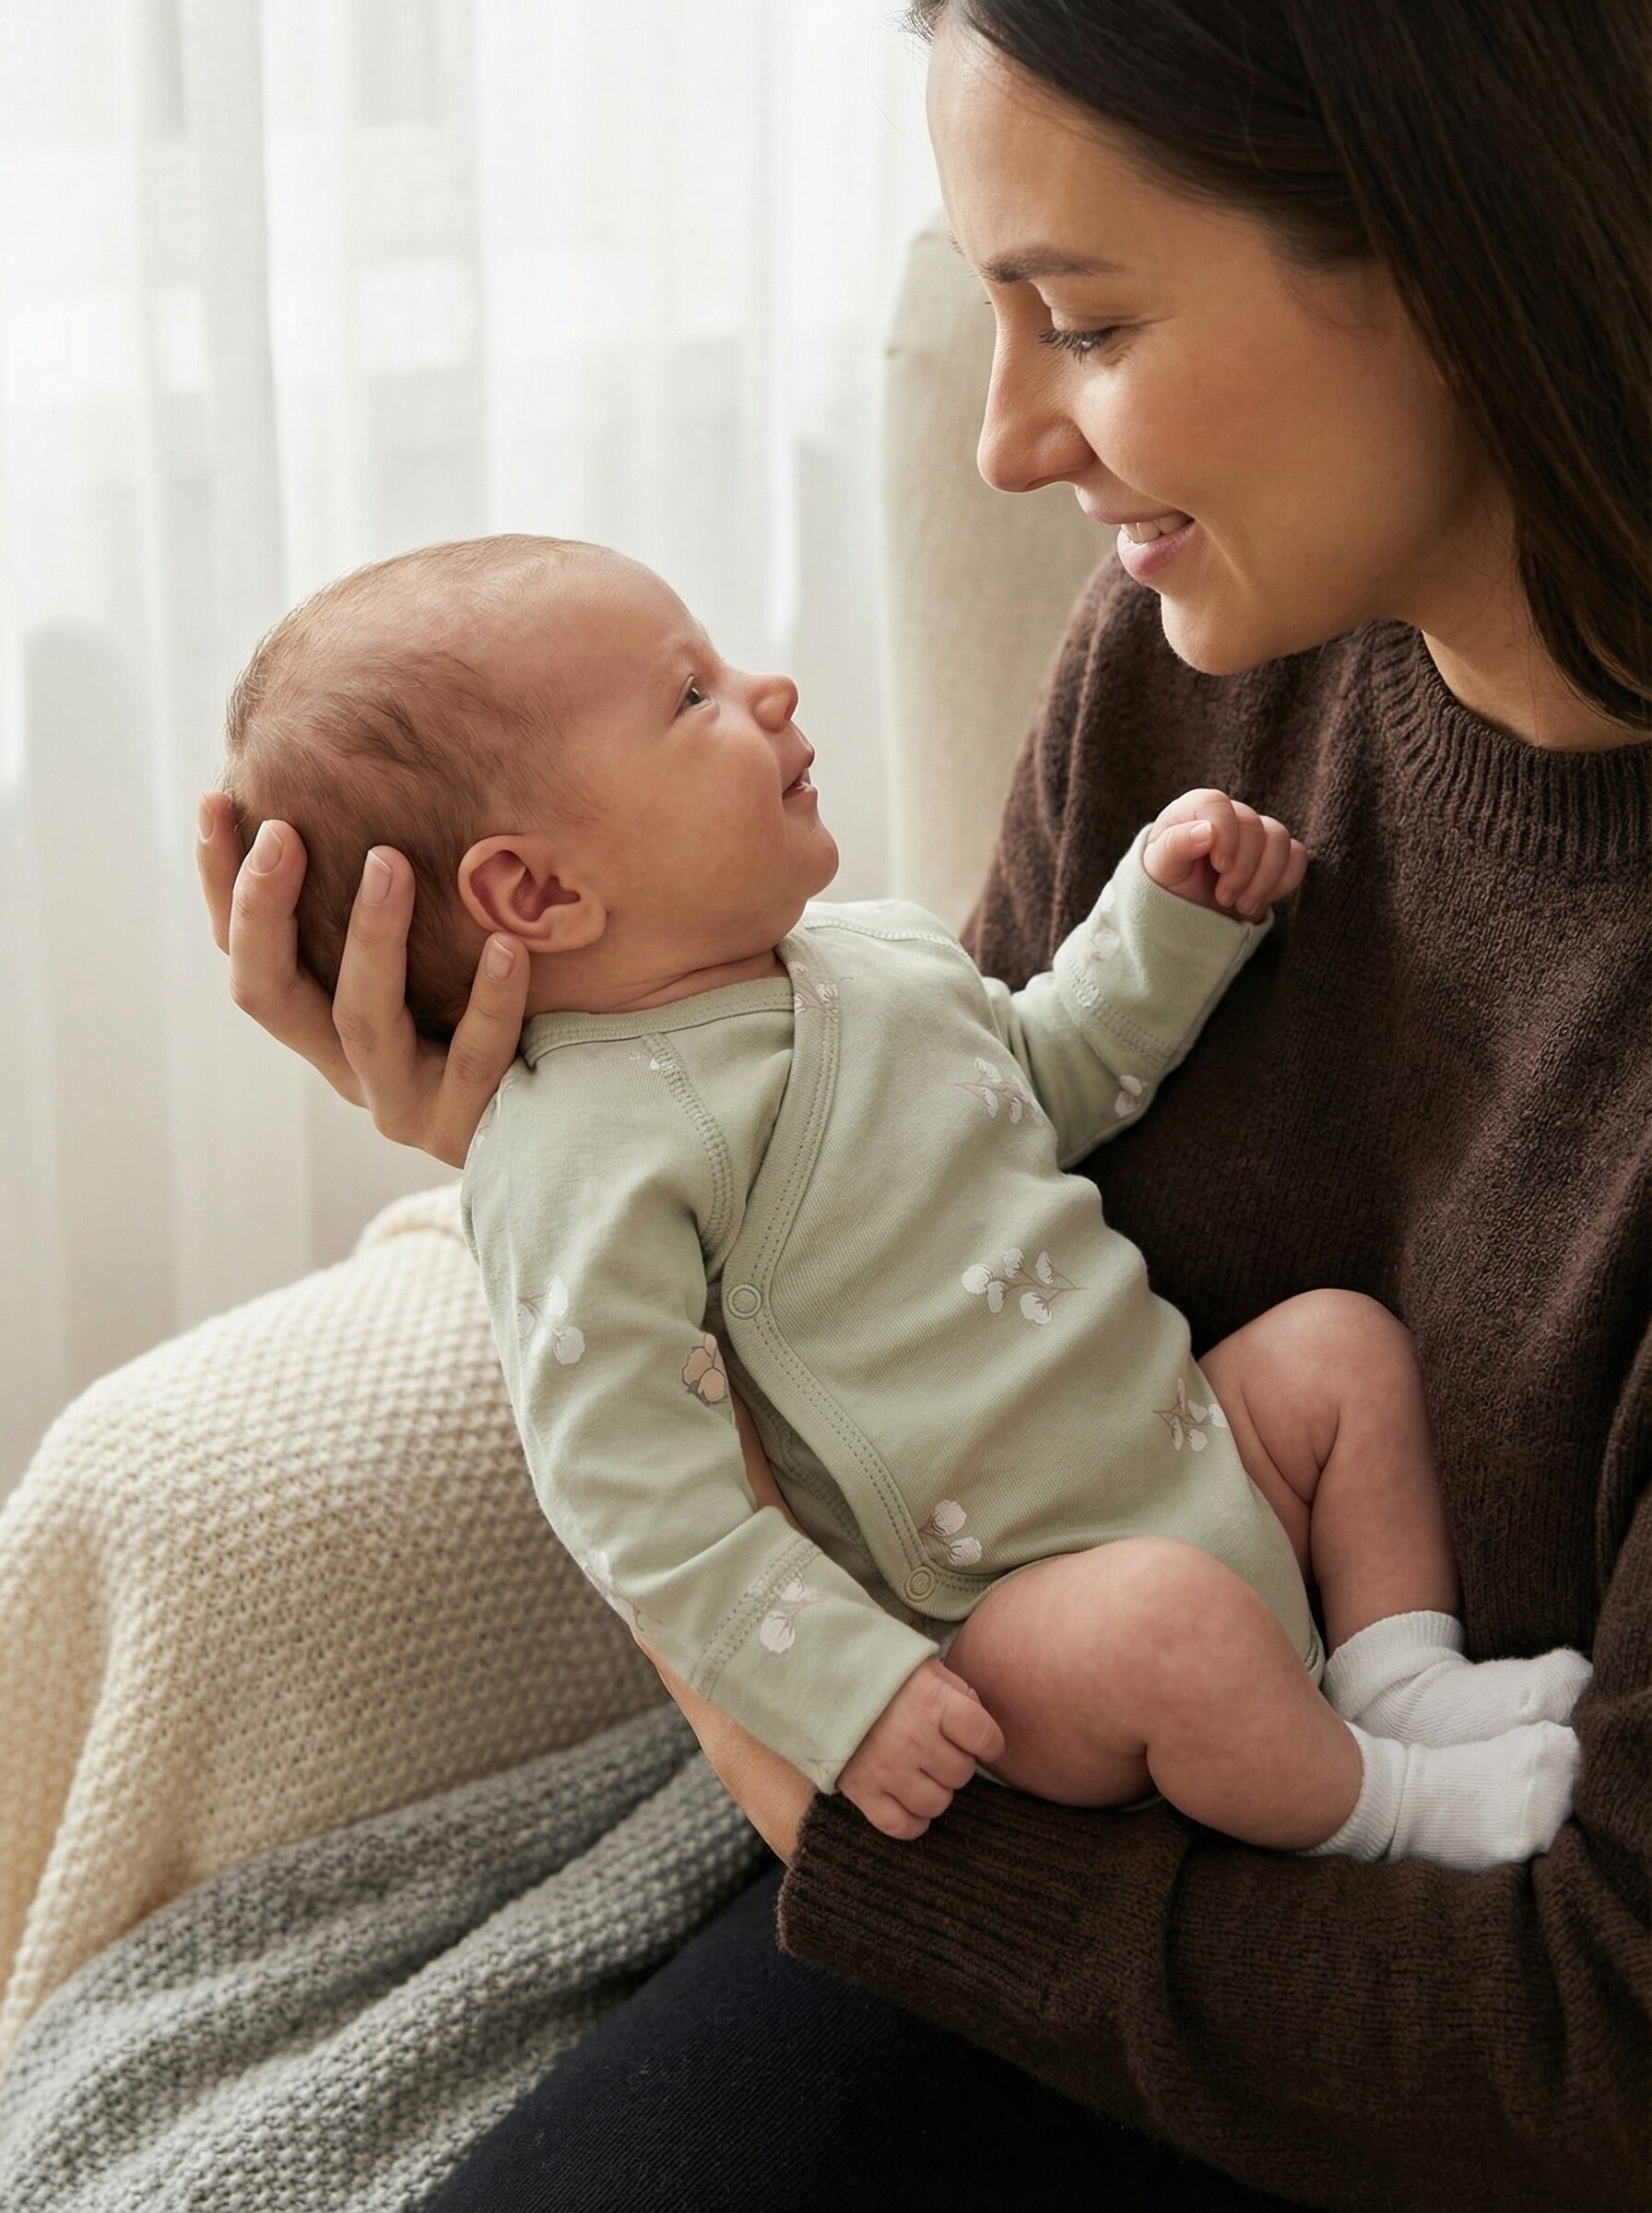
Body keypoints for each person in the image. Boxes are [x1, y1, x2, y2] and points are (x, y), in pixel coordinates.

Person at [196, 1, 1649, 2207]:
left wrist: (808, 1787)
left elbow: (1583, 2043)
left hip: (1404, 2018)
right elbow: (960, 1147)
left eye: (1075, 317)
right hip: (1023, 1805)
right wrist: (558, 1136)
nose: (997, 447)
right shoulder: (1189, 658)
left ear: (1455, 256)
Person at [222, 533, 1586, 1870]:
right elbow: (633, 1490)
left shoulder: (871, 955)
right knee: (1175, 1625)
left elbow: (1042, 1082)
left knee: (1338, 1351)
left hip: (1184, 1452)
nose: (771, 693)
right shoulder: (578, 1151)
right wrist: (845, 1690)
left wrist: (1164, 922)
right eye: (690, 695)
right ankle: (1391, 1806)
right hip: (1006, 1621)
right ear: (538, 888)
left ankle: (1397, 1674)